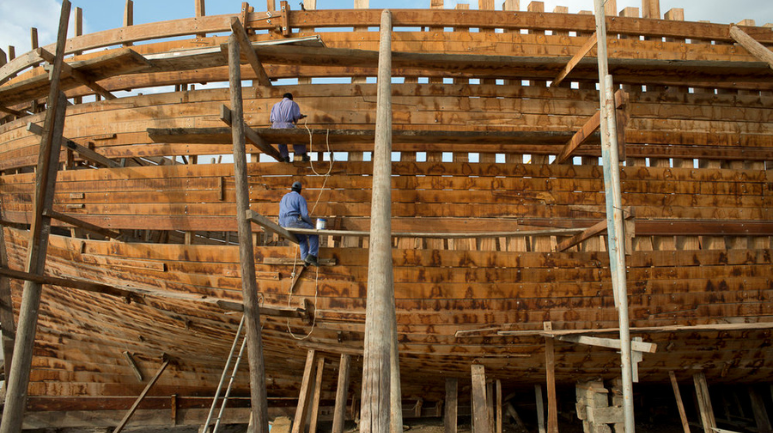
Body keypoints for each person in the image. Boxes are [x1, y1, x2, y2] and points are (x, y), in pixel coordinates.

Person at [279, 181, 319, 266]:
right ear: (300, 190)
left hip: (282, 223)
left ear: (292, 189)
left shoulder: (284, 197)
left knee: (302, 239)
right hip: (292, 221)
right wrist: (310, 224)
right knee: (313, 232)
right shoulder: (300, 198)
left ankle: (305, 260)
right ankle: (312, 255)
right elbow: (304, 215)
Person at [270, 93, 308, 163]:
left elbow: (271, 119)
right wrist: (300, 116)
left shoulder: (276, 105)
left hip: (275, 127)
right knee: (297, 137)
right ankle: (303, 154)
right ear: (291, 98)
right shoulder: (292, 103)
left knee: (281, 141)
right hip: (287, 125)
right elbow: (296, 115)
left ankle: (285, 157)